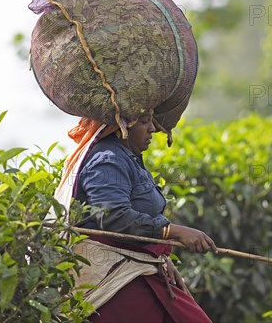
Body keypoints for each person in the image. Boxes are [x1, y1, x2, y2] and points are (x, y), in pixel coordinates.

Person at [68, 112, 217, 323]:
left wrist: (159, 258)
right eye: (145, 122)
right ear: (122, 128)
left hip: (140, 270)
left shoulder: (127, 156)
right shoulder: (107, 160)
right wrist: (172, 231)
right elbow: (114, 217)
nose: (153, 129)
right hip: (117, 284)